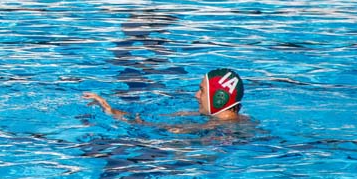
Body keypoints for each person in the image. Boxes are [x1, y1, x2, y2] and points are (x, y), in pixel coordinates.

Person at [83, 68, 246, 127]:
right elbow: (155, 119)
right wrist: (111, 110)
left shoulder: (218, 130)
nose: (196, 95)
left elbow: (152, 125)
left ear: (219, 98)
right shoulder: (234, 121)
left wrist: (110, 111)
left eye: (202, 90)